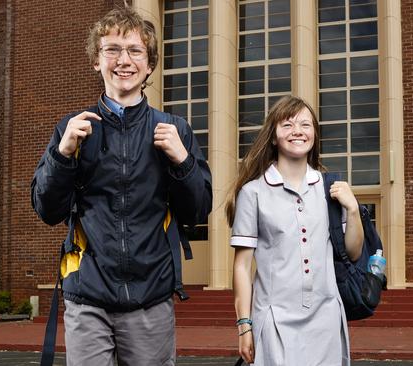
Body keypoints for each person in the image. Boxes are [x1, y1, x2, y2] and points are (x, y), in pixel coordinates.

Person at [30, 6, 212, 366]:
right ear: (97, 61)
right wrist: (63, 155)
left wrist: (183, 161)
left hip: (151, 298)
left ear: (149, 65)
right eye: (112, 49)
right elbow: (47, 210)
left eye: (134, 51)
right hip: (88, 297)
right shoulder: (74, 128)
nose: (123, 60)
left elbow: (197, 212)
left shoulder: (175, 129)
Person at [226, 96, 364, 365]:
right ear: (274, 137)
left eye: (305, 124)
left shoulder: (330, 190)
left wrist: (354, 210)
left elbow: (354, 252)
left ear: (314, 134)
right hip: (275, 319)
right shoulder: (252, 192)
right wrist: (244, 325)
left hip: (326, 320)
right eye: (287, 125)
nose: (297, 130)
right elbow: (242, 267)